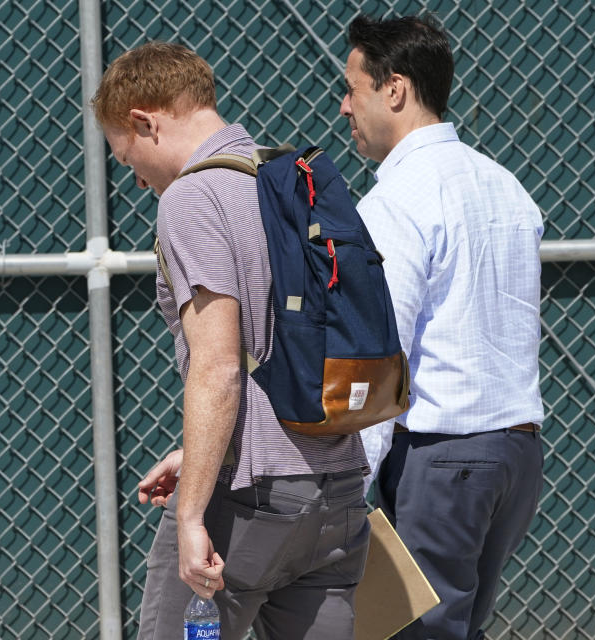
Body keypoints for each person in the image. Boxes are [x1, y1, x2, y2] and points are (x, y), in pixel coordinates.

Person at [92, 42, 371, 640]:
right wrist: (199, 454)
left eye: (128, 158)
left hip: (251, 498)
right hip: (338, 490)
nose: (138, 179)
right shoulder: (288, 179)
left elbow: (219, 367)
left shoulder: (192, 198)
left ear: (145, 121)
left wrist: (192, 513)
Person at [339, 14, 546, 640]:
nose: (345, 106)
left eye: (352, 89)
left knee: (415, 633)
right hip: (515, 454)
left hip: (442, 458)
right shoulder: (506, 187)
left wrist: (349, 486)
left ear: (394, 89)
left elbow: (381, 352)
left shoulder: (396, 200)